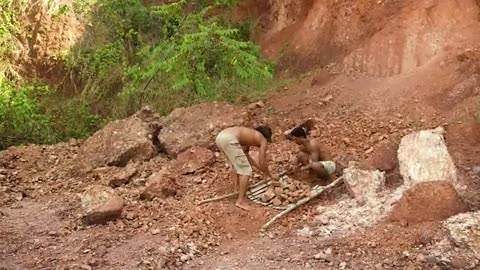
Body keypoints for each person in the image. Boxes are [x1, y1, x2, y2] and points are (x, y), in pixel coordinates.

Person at [215, 126, 273, 210]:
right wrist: (270, 175)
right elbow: (262, 161)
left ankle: (236, 189)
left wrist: (260, 169)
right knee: (246, 171)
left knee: (236, 165)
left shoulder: (248, 135)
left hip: (221, 137)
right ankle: (240, 201)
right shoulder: (262, 139)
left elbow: (247, 158)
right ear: (266, 137)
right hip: (229, 139)